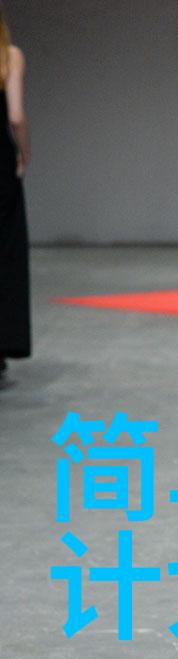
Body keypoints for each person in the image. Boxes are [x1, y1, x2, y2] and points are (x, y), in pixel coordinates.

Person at [0, 5, 31, 383]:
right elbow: (16, 116)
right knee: (4, 252)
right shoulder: (9, 55)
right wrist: (25, 152)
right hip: (1, 163)